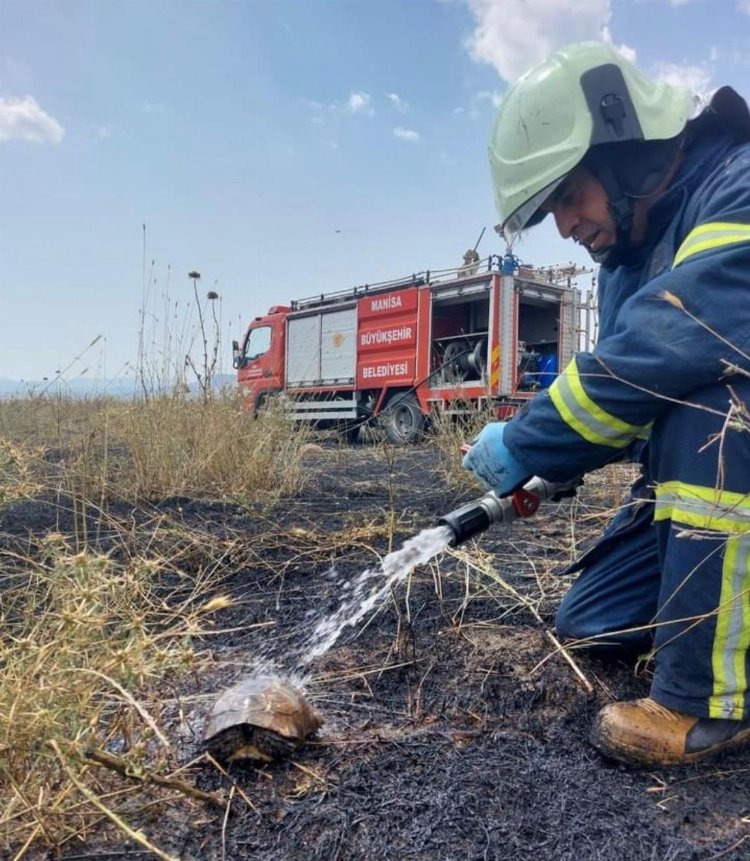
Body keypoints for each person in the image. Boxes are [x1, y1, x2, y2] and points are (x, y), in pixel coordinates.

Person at [463, 42, 750, 766]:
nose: (564, 226)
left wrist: (527, 440)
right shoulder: (626, 260)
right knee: (592, 622)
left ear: (620, 148)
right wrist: (551, 469)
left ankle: (706, 704)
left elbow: (676, 346)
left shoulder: (739, 187)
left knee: (708, 405)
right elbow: (629, 409)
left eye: (566, 195)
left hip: (732, 439)